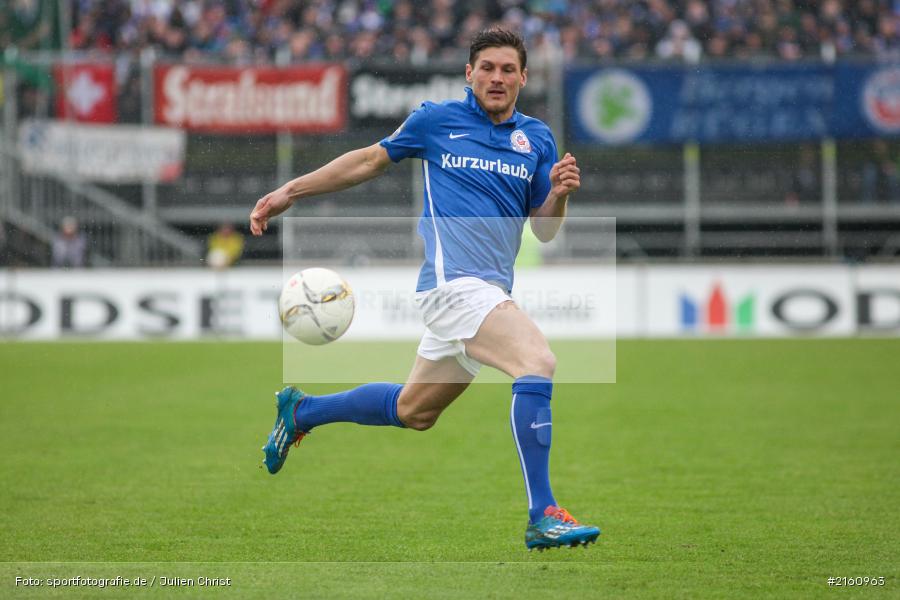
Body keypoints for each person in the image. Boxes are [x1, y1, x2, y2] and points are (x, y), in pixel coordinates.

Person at [249, 28, 599, 551]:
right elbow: (368, 160)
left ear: (524, 78)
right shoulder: (437, 120)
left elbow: (544, 229)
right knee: (537, 361)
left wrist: (560, 195)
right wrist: (290, 191)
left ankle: (302, 412)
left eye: (507, 69)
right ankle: (543, 513)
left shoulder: (537, 138)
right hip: (452, 286)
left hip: (486, 291)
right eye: (487, 68)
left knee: (415, 411)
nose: (497, 77)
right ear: (469, 74)